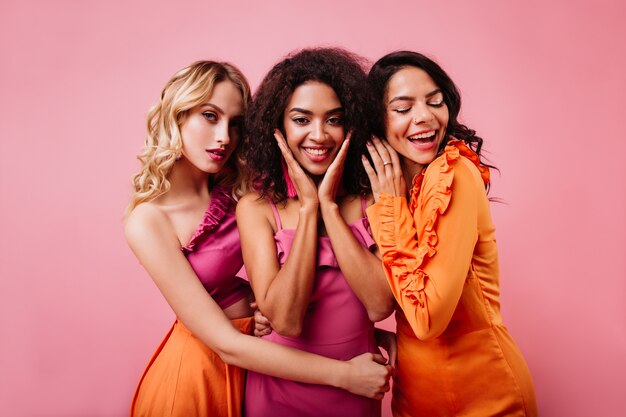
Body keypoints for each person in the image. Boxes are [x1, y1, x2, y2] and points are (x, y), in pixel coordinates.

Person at [125, 60, 392, 417]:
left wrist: (256, 306)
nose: (224, 137)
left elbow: (250, 270)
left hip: (257, 363)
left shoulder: (233, 186)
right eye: (209, 116)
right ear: (177, 115)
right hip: (199, 374)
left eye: (236, 124)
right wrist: (344, 374)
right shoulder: (148, 221)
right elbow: (228, 341)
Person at [362, 51, 538, 417]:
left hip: (486, 399)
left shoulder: (453, 175)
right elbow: (382, 293)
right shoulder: (394, 185)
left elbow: (427, 318)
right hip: (415, 398)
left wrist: (390, 208)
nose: (424, 117)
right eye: (403, 107)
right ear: (376, 120)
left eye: (435, 101)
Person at [236, 48, 396, 417]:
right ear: (278, 124)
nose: (319, 135)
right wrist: (309, 210)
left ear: (352, 125)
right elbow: (287, 321)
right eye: (301, 119)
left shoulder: (372, 198)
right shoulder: (257, 209)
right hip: (278, 394)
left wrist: (330, 208)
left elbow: (379, 304)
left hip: (357, 387)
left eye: (334, 119)